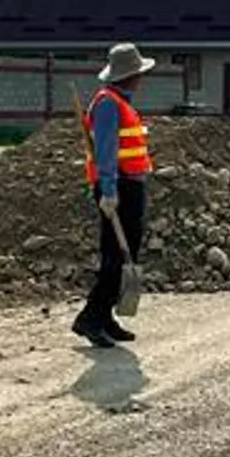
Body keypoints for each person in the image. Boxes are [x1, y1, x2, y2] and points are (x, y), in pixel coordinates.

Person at [73, 42, 156, 347]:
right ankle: (91, 318)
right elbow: (106, 152)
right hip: (119, 187)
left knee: (123, 254)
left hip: (129, 185)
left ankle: (105, 317)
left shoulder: (120, 102)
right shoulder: (108, 104)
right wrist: (108, 191)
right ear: (129, 75)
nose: (141, 79)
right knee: (116, 256)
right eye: (138, 73)